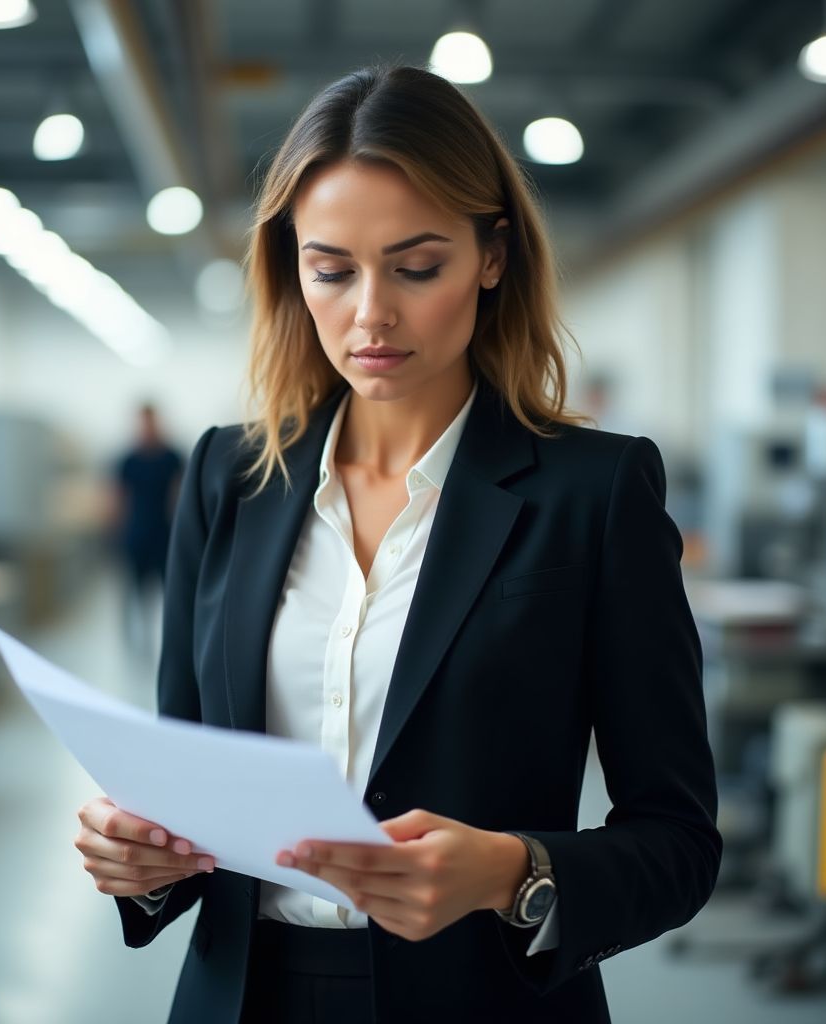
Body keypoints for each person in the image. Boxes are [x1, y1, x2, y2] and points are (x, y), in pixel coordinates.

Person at [74, 64, 721, 1023]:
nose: (370, 312)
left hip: (486, 1002)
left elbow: (678, 842)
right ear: (292, 266)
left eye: (417, 267)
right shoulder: (227, 478)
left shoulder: (595, 492)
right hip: (243, 999)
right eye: (331, 269)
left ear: (492, 256)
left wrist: (515, 873)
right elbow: (189, 784)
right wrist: (145, 861)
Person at [110, 404, 185, 653]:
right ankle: (133, 640)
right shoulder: (128, 460)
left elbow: (180, 495)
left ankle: (171, 636)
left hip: (164, 536)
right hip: (136, 535)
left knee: (170, 589)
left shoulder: (172, 457)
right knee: (134, 590)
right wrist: (116, 532)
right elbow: (119, 499)